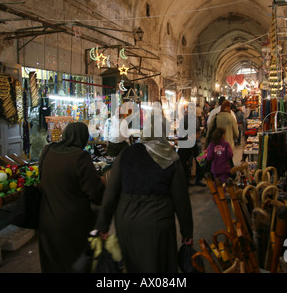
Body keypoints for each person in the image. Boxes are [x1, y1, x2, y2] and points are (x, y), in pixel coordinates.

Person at [95, 114, 194, 273]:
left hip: (126, 221)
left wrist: (103, 225)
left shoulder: (126, 154)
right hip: (157, 222)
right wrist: (187, 232)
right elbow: (181, 200)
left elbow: (111, 192)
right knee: (159, 267)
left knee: (133, 266)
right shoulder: (169, 157)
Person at [38, 122, 105, 273]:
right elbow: (96, 193)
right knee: (73, 264)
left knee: (52, 264)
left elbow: (41, 178)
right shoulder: (80, 157)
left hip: (47, 220)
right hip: (73, 224)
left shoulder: (47, 150)